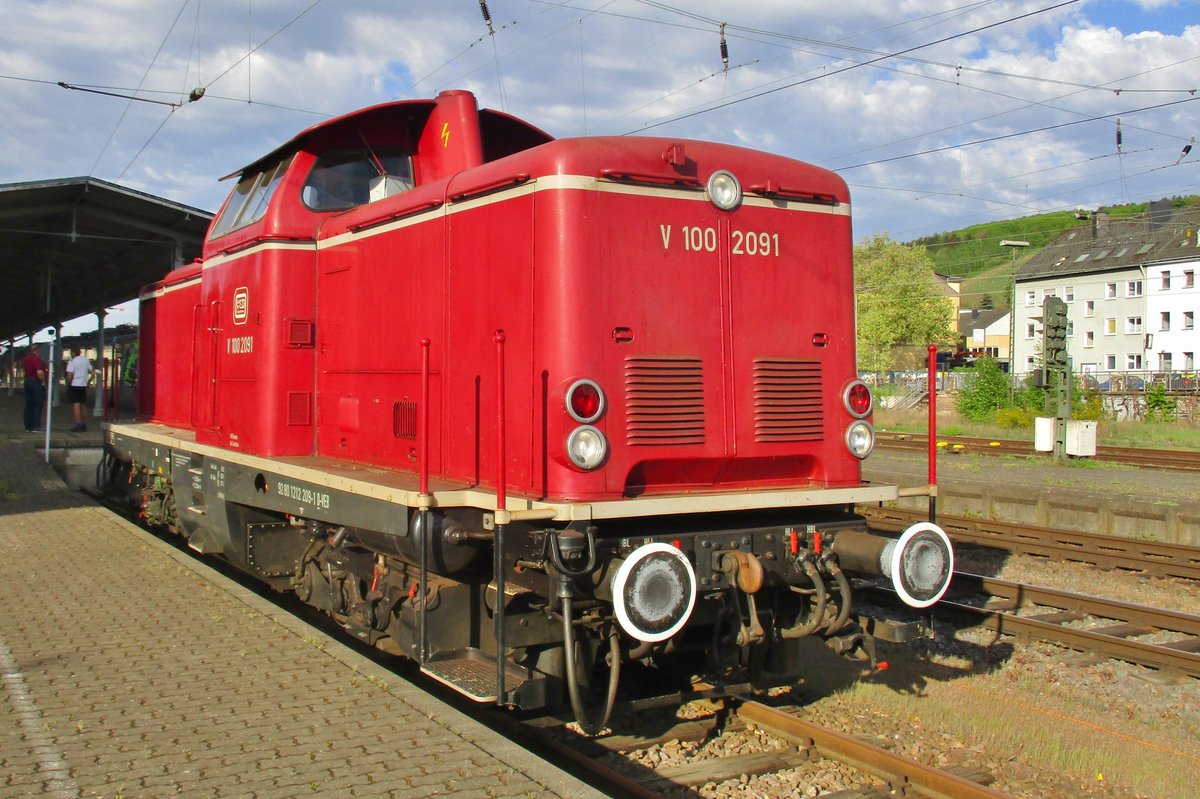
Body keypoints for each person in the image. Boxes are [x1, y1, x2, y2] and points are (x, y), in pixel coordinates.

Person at [65, 346, 92, 432]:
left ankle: (78, 424)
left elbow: (69, 376)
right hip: (83, 385)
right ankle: (84, 424)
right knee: (82, 405)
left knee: (76, 405)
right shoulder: (85, 360)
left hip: (75, 385)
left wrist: (68, 384)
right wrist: (88, 381)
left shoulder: (72, 361)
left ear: (72, 352)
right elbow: (93, 371)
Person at [21, 347, 47, 433]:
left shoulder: (25, 359)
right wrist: (43, 382)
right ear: (37, 350)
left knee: (29, 405)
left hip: (27, 381)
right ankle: (36, 426)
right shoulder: (37, 359)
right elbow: (39, 372)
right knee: (38, 404)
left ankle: (27, 426)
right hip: (35, 382)